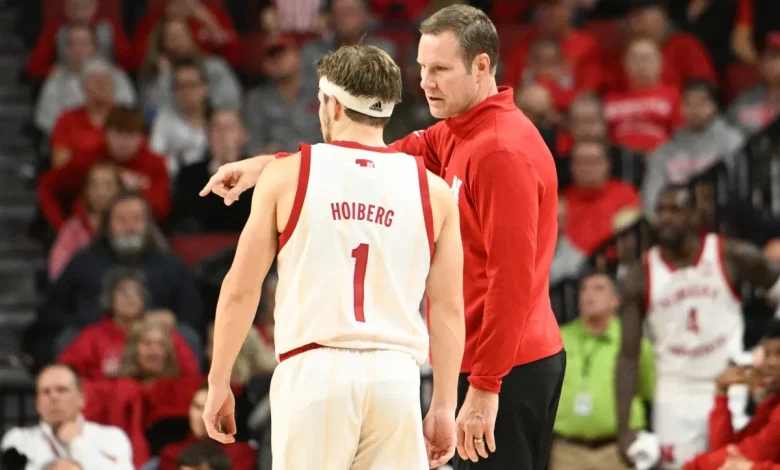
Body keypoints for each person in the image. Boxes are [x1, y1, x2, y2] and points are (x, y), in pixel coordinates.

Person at [200, 5, 565, 470]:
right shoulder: (450, 141)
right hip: (404, 375)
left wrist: (485, 389)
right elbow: (365, 156)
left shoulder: (500, 151)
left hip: (504, 368)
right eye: (422, 68)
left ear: (481, 65)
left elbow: (511, 282)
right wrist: (262, 166)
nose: (427, 82)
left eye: (440, 70)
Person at [203, 44, 466, 469]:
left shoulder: (285, 176)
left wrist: (218, 381)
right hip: (396, 377)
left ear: (331, 104)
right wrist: (443, 404)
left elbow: (240, 289)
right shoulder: (434, 191)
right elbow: (450, 309)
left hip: (315, 370)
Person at [616, 185, 780, 469]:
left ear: (695, 215)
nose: (666, 218)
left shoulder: (730, 253)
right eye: (661, 211)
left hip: (729, 385)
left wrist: (767, 347)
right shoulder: (639, 275)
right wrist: (623, 427)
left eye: (676, 210)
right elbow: (628, 354)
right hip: (674, 392)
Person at [0, 364, 133, 469]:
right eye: (46, 392)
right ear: (37, 403)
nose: (54, 397)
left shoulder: (112, 437)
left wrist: (77, 443)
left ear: (81, 398)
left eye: (62, 390)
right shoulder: (19, 439)